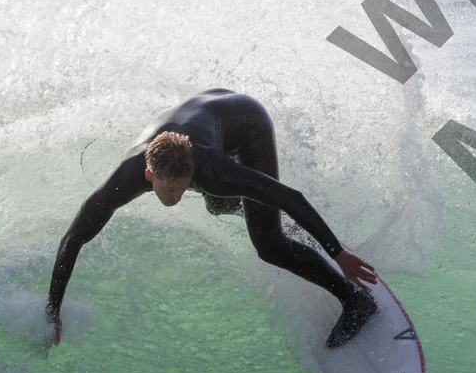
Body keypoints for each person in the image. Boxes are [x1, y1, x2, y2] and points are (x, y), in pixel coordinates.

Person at [45, 89, 380, 348]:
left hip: (248, 123)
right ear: (149, 175)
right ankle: (272, 218)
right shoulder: (125, 178)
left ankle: (355, 301)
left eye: (181, 188)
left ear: (192, 172)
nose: (175, 198)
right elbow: (73, 238)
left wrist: (337, 253)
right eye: (168, 189)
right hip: (211, 114)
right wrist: (53, 310)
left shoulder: (214, 171)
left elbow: (290, 196)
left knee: (269, 245)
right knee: (217, 206)